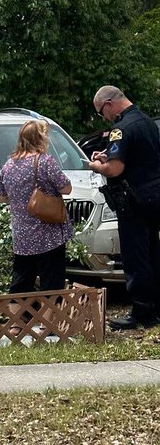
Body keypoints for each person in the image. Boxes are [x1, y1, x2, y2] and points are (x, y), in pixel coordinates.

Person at [87, 86, 160, 330]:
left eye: (101, 112)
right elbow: (139, 158)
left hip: (134, 201)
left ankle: (141, 312)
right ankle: (155, 308)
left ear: (108, 104)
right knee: (153, 254)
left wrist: (96, 166)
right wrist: (108, 157)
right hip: (154, 197)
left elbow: (116, 170)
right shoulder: (147, 122)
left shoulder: (121, 129)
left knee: (135, 256)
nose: (104, 118)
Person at [0, 120, 73, 315]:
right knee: (51, 278)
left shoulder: (8, 164)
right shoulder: (44, 161)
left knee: (21, 278)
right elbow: (66, 188)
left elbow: (1, 197)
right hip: (48, 232)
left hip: (22, 234)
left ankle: (16, 325)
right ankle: (47, 325)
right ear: (41, 138)